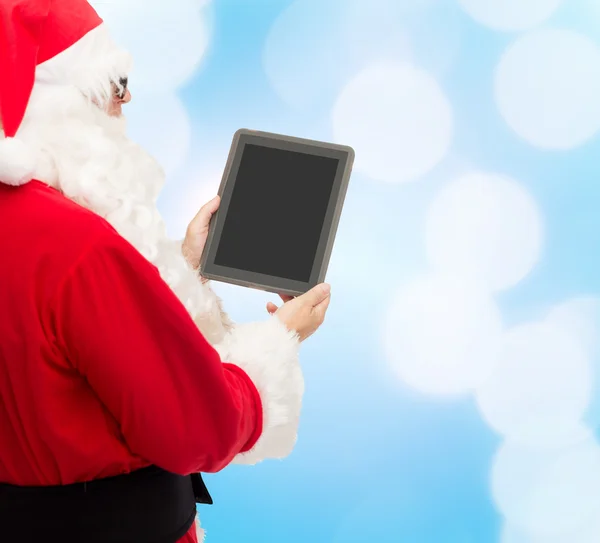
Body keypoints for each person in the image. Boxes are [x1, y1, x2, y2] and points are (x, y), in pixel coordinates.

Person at [0, 1, 331, 542]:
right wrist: (279, 339)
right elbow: (199, 428)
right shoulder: (81, 249)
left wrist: (179, 266)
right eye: (115, 86)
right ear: (60, 104)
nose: (125, 103)